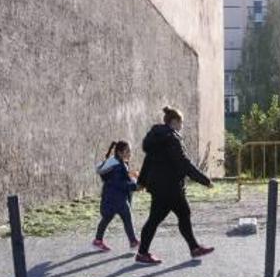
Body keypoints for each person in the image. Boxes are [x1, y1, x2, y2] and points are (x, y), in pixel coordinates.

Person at [135, 107, 214, 265]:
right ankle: (143, 253)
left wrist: (142, 181)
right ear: (174, 122)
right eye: (181, 122)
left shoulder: (157, 138)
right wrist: (204, 180)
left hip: (161, 187)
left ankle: (193, 247)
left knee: (175, 215)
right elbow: (184, 163)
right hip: (170, 187)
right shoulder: (171, 139)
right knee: (173, 215)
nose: (182, 125)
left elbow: (148, 161)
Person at [92, 141, 140, 252]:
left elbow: (122, 178)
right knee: (126, 217)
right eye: (127, 151)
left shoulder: (118, 163)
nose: (130, 154)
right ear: (119, 152)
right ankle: (133, 241)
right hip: (117, 197)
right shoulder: (118, 166)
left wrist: (132, 176)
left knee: (108, 218)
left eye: (130, 151)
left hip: (111, 196)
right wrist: (135, 186)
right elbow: (120, 183)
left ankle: (98, 241)